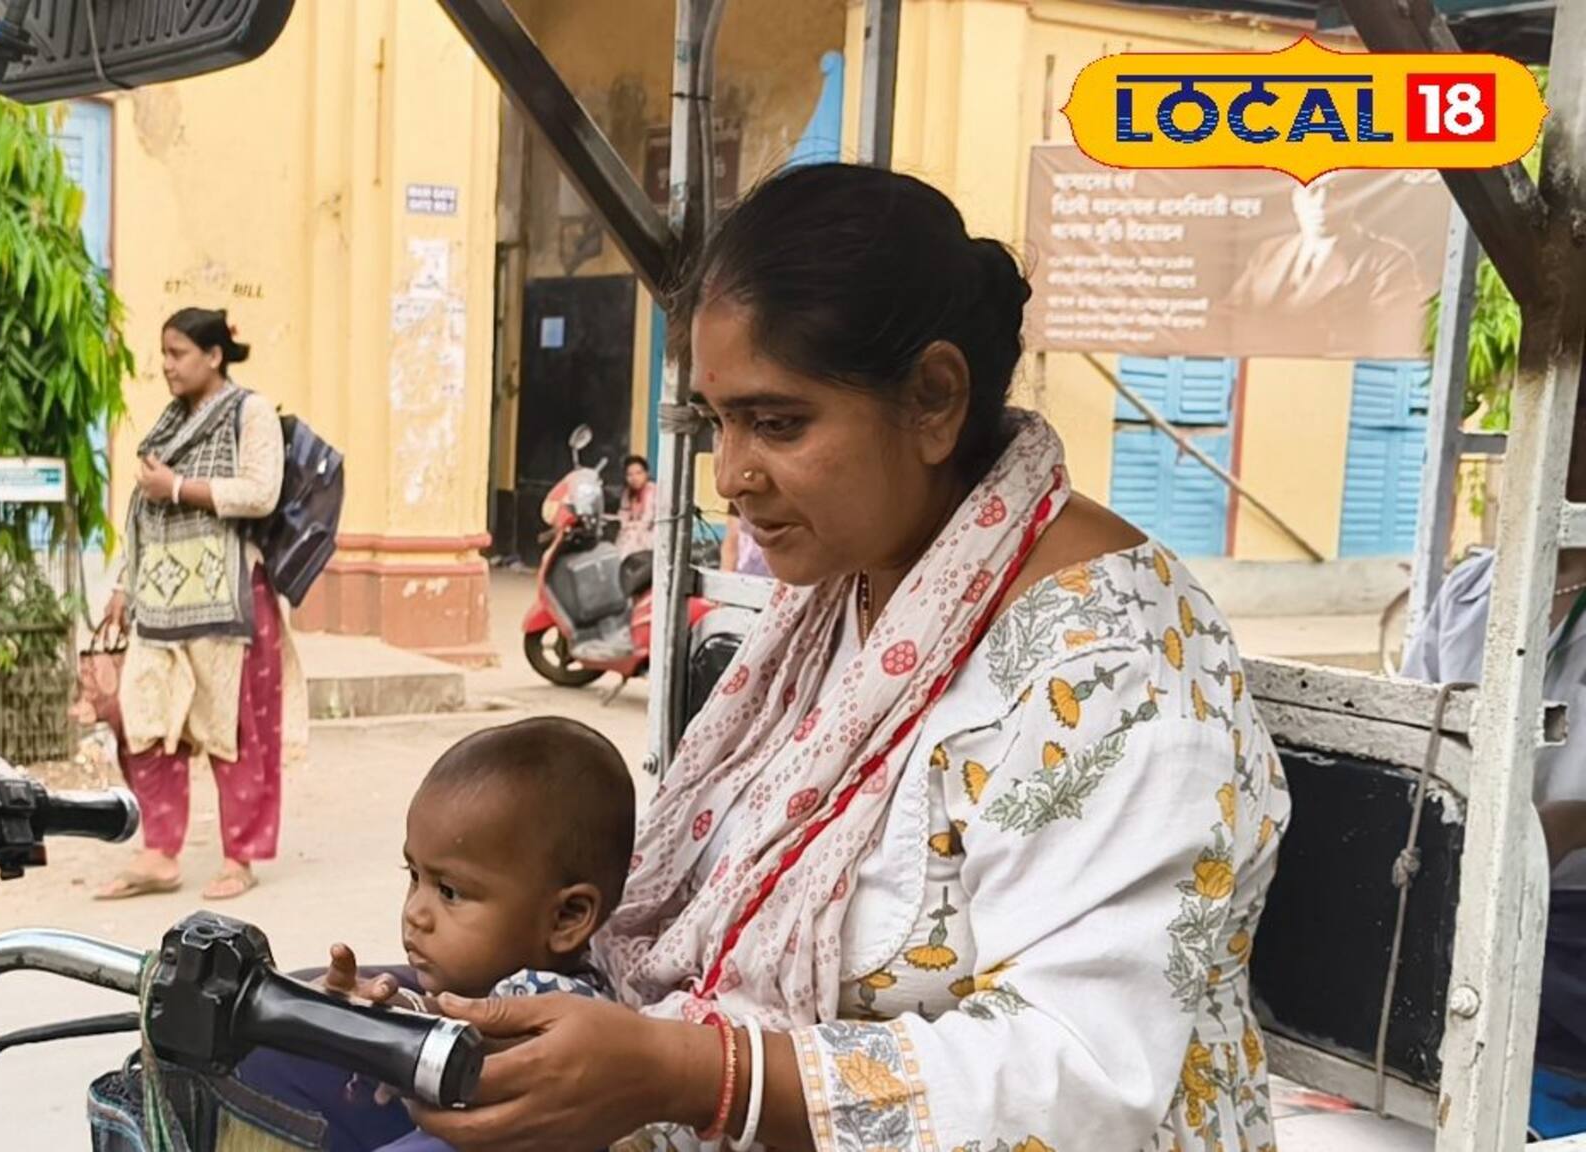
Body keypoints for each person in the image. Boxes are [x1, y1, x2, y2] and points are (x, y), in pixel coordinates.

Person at [238, 163, 1292, 1152]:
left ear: (931, 398)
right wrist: (462, 1014)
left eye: (775, 423)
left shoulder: (1117, 669)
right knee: (268, 1068)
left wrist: (703, 1077)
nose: (731, 474)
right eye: (717, 422)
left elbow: (1089, 1074)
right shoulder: (849, 595)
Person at [227, 716, 636, 1152]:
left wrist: (390, 1016)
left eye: (450, 892)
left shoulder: (553, 1005)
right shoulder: (489, 985)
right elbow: (440, 1016)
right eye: (414, 876)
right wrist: (381, 1005)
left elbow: (476, 1041)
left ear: (566, 918)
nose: (416, 914)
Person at [1400, 411, 1586, 1136]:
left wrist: (1565, 827)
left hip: (1567, 935)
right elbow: (1417, 739)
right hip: (1460, 902)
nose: (1566, 439)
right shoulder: (1475, 590)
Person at [94, 307, 302, 902]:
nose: (166, 365)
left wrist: (180, 488)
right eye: (163, 353)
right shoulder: (169, 421)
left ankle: (242, 855)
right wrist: (122, 585)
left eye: (178, 353)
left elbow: (262, 493)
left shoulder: (250, 413)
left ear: (213, 356)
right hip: (159, 603)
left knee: (235, 732)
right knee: (146, 722)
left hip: (227, 597)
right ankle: (159, 852)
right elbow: (143, 512)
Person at [1227, 170, 1427, 357]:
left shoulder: (1386, 260)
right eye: (1312, 191)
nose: (1321, 203)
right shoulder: (1270, 251)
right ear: (1295, 200)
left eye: (1335, 192)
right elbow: (1229, 316)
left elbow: (1393, 338)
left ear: (1353, 200)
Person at [618, 454, 658, 557]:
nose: (634, 478)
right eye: (629, 474)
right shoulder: (627, 493)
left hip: (652, 534)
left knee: (631, 537)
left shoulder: (653, 491)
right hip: (632, 532)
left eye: (638, 473)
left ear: (646, 473)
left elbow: (648, 520)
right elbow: (623, 514)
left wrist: (631, 526)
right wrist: (625, 525)